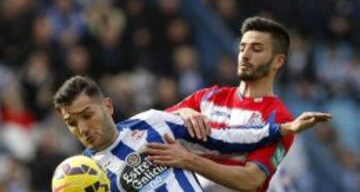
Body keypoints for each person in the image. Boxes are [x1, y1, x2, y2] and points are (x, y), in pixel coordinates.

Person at [52, 75, 330, 192]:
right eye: (71, 123)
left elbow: (224, 139)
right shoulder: (85, 175)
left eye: (87, 115)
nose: (83, 129)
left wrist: (281, 129)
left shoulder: (152, 123)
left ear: (108, 106)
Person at [146, 16, 311, 191]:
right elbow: (156, 127)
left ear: (278, 61)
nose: (245, 55)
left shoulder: (279, 119)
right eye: (242, 48)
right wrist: (184, 112)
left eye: (256, 49)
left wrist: (188, 159)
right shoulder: (208, 96)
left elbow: (250, 181)